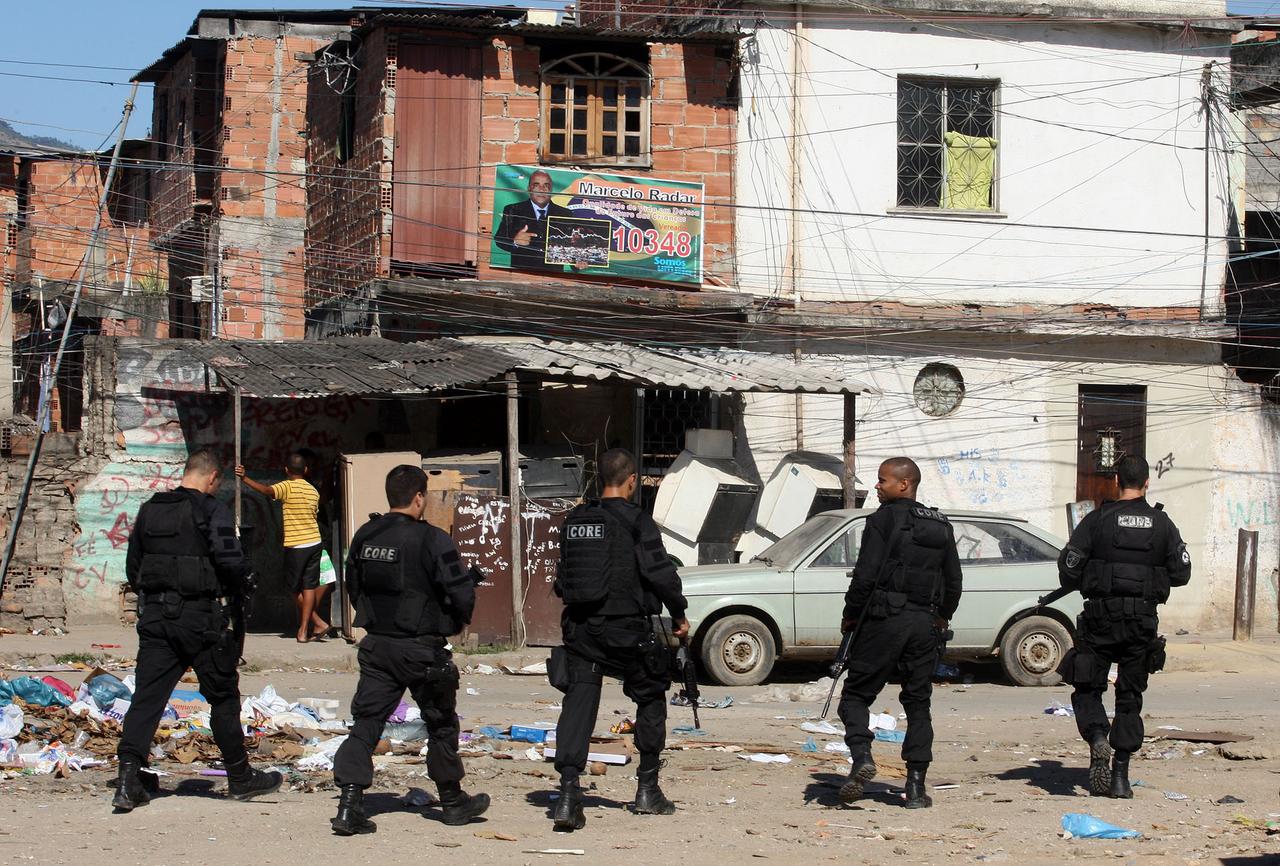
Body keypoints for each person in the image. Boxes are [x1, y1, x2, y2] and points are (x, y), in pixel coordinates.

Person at [113, 448, 281, 811]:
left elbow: (134, 566)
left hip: (157, 618)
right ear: (212, 478)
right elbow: (230, 562)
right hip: (200, 620)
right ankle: (239, 777)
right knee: (222, 697)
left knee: (147, 697)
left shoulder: (150, 509)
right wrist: (242, 585)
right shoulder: (211, 510)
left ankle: (128, 779)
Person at [330, 465, 489, 835]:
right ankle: (452, 803)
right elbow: (460, 591)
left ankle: (348, 805)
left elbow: (353, 584)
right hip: (422, 649)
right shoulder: (433, 540)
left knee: (366, 724)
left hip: (378, 646)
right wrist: (458, 621)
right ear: (419, 498)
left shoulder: (366, 534)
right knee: (441, 724)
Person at [549, 448, 688, 832]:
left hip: (581, 630)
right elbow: (660, 573)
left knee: (578, 703)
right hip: (627, 630)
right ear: (630, 481)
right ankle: (647, 790)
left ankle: (567, 794)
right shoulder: (636, 521)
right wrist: (679, 614)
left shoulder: (575, 521)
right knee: (650, 697)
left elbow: (563, 578)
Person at [1056, 454, 1191, 798]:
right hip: (1141, 622)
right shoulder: (1163, 524)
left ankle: (1098, 736)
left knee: (1087, 686)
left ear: (1116, 481)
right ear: (1147, 483)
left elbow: (1069, 567)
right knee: (1130, 698)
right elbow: (1181, 573)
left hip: (1100, 619)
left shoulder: (1098, 520)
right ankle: (1120, 777)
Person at [836, 457, 962, 810]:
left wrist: (850, 616)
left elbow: (865, 575)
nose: (877, 487)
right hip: (924, 624)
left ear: (904, 484)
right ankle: (917, 787)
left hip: (883, 619)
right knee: (918, 702)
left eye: (882, 481)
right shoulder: (940, 524)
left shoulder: (882, 520)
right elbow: (954, 580)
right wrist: (942, 617)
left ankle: (862, 756)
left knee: (856, 695)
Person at [236, 453, 329, 642]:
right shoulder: (313, 491)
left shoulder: (287, 486)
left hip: (297, 545)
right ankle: (307, 628)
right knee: (308, 586)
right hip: (314, 543)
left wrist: (245, 478)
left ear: (286, 470)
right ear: (305, 470)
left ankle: (313, 625)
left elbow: (267, 491)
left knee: (293, 589)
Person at [493, 169, 573, 271]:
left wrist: (577, 263)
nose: (541, 189)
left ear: (552, 189)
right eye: (536, 185)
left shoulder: (566, 214)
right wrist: (515, 242)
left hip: (554, 277)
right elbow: (500, 239)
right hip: (522, 275)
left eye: (546, 185)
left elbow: (572, 248)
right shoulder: (512, 210)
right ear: (529, 188)